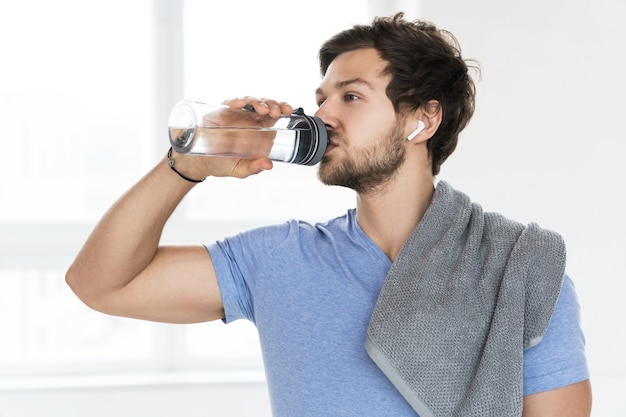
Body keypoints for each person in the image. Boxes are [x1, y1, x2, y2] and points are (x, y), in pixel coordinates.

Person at [66, 13, 591, 417]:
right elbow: (101, 284)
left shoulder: (520, 271)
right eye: (321, 99)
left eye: (351, 96)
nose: (323, 116)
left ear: (423, 119)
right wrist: (185, 166)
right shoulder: (279, 259)